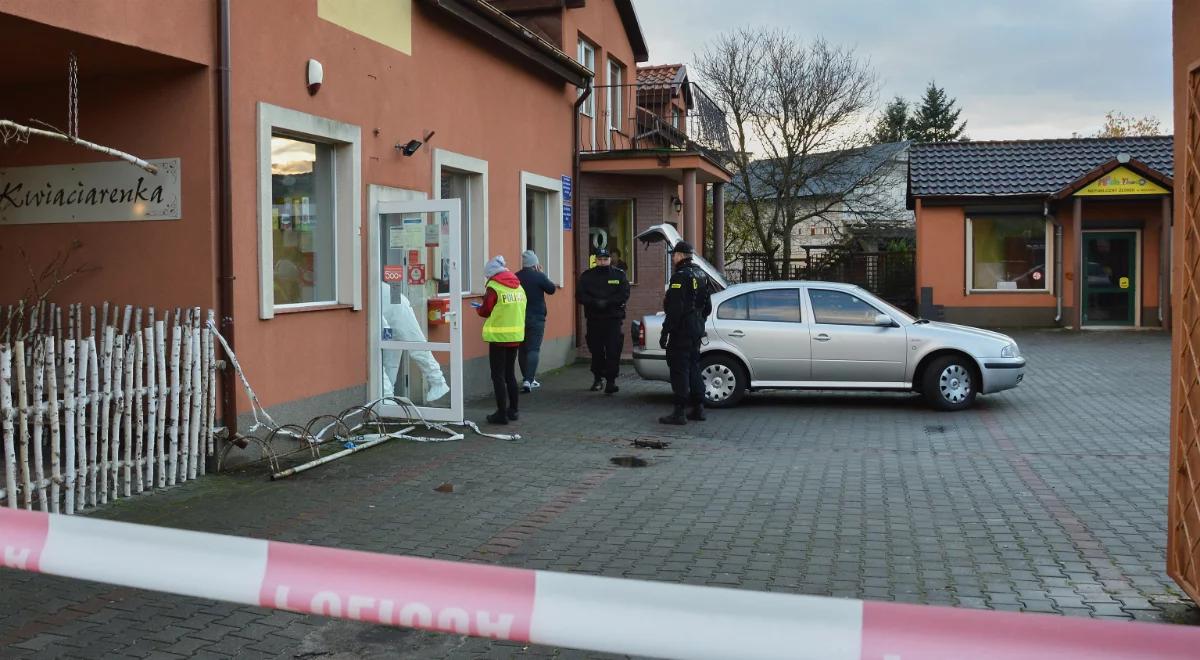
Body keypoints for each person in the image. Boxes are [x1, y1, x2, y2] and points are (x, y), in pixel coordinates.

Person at [658, 241, 712, 425]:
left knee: (679, 369)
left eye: (674, 255)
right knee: (694, 366)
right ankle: (698, 407)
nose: (673, 258)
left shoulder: (680, 277)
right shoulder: (702, 274)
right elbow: (708, 307)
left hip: (682, 329)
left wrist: (666, 331)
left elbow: (675, 309)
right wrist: (699, 321)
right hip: (697, 328)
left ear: (681, 255)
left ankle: (679, 412)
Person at [476, 255, 527, 425]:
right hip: (515, 336)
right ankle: (513, 410)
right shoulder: (518, 286)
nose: (487, 278)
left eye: (487, 275)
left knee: (497, 376)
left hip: (499, 338)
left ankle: (501, 414)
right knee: (510, 374)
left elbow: (485, 310)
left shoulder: (494, 286)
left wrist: (479, 308)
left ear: (491, 273)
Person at [577, 247, 630, 394]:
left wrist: (607, 302)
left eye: (605, 259)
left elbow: (624, 293)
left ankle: (611, 381)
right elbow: (580, 295)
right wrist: (595, 302)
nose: (602, 261)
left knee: (613, 350)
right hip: (594, 319)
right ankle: (597, 378)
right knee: (596, 351)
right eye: (599, 259)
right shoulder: (587, 276)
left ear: (610, 259)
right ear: (595, 260)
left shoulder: (618, 275)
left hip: (613, 319)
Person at [516, 250, 558, 393]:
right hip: (537, 318)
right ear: (535, 264)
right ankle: (529, 380)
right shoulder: (539, 276)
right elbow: (552, 289)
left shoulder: (516, 277)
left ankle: (526, 378)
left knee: (522, 348)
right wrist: (542, 274)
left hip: (519, 317)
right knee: (533, 349)